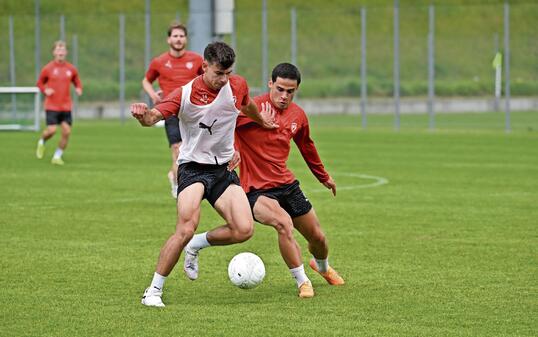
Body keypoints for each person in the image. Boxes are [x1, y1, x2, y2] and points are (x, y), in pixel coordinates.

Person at [131, 41, 278, 307]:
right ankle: (152, 291)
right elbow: (153, 117)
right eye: (218, 73)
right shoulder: (183, 95)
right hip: (193, 169)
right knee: (185, 228)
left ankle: (197, 244)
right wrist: (142, 115)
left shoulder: (237, 85)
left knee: (245, 229)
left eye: (228, 73)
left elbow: (246, 106)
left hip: (223, 169)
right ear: (204, 66)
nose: (224, 79)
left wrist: (261, 120)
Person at [234, 63, 344, 298]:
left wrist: (324, 177)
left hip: (286, 185)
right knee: (283, 223)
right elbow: (224, 126)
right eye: (280, 89)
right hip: (256, 190)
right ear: (270, 83)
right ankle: (302, 281)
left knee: (318, 238)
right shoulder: (251, 109)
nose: (284, 96)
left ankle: (322, 268)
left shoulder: (298, 116)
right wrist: (233, 150)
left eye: (290, 91)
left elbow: (307, 146)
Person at [142, 22, 204, 198]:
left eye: (181, 36)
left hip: (193, 112)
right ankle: (178, 185)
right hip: (171, 111)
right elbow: (146, 80)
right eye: (175, 36)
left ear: (186, 39)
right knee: (178, 148)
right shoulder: (159, 62)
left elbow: (206, 80)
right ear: (169, 39)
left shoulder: (197, 60)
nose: (178, 39)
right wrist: (153, 95)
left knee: (191, 150)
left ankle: (174, 174)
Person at [35, 40, 83, 165]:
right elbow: (39, 83)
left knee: (67, 131)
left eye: (63, 49)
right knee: (51, 131)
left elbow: (77, 81)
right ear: (54, 52)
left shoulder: (71, 69)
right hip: (52, 105)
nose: (60, 52)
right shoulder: (48, 68)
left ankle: (57, 156)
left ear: (66, 52)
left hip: (66, 106)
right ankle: (42, 141)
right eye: (58, 49)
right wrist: (46, 90)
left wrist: (78, 88)